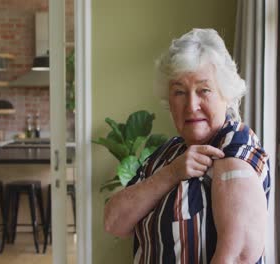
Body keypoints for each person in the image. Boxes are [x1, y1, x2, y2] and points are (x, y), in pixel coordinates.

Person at [104, 28, 271, 264]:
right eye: (179, 92)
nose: (191, 105)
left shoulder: (234, 148)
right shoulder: (170, 152)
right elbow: (114, 222)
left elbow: (238, 257)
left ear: (226, 93)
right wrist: (172, 172)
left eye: (204, 90)